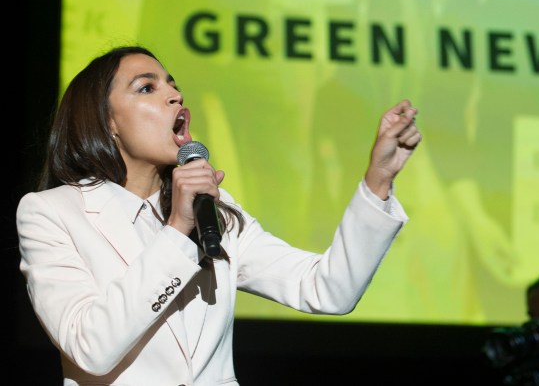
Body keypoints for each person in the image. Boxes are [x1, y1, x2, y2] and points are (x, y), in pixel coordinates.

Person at [15, 45, 422, 385]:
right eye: (147, 88)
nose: (174, 95)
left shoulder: (215, 209)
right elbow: (92, 348)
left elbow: (327, 289)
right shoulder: (52, 213)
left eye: (174, 85)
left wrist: (378, 179)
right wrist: (178, 230)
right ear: (107, 122)